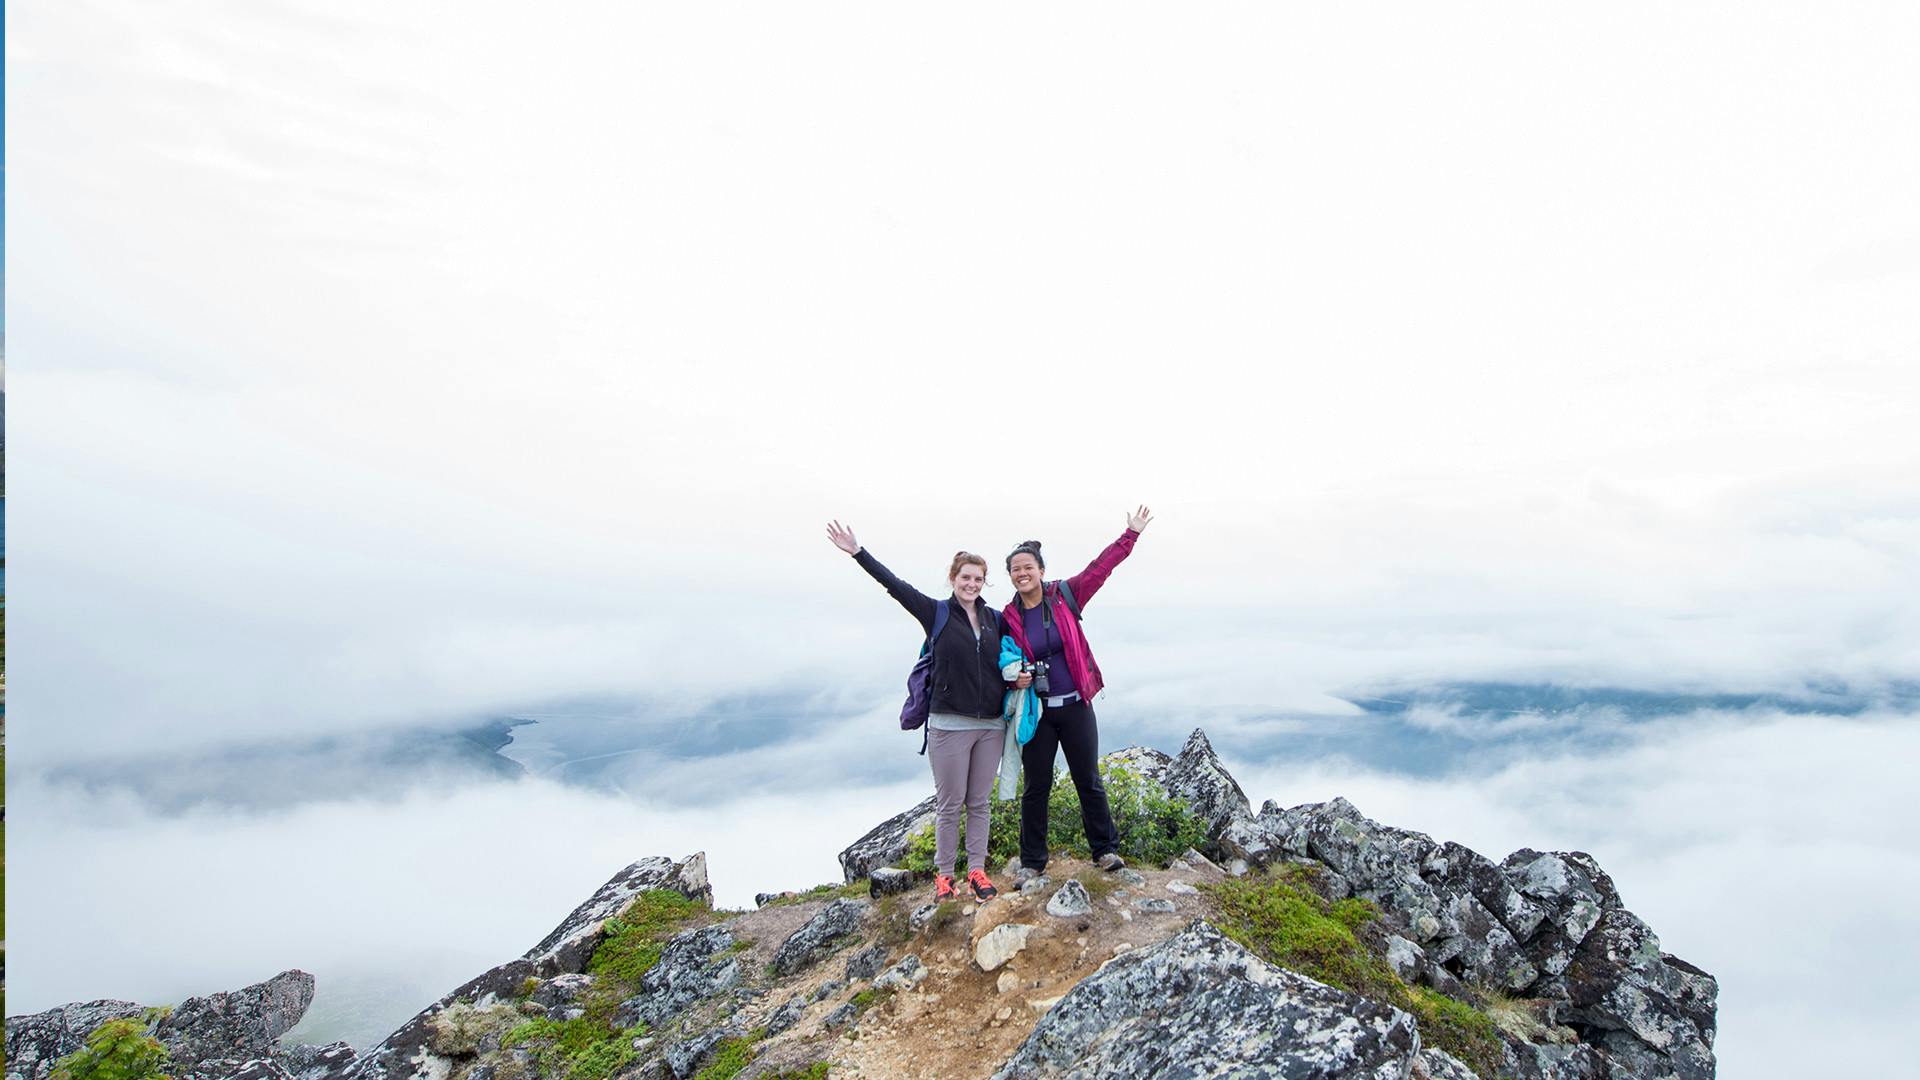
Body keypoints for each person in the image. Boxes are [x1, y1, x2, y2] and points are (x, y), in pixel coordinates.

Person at [827, 520, 1028, 903]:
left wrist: (1017, 680)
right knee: (950, 803)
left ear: (985, 583)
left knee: (979, 802)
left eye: (979, 579)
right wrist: (858, 552)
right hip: (949, 725)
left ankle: (977, 871)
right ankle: (945, 875)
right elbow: (895, 587)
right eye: (966, 577)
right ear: (953, 578)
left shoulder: (995, 619)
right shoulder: (935, 613)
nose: (972, 584)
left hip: (990, 725)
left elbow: (1008, 655)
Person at [1000, 505, 1154, 882]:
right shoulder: (1008, 615)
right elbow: (998, 656)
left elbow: (1101, 569)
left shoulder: (1065, 595)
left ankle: (1105, 851)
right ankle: (1032, 862)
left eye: (1027, 567)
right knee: (1036, 787)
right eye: (1015, 569)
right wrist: (1011, 679)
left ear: (1040, 570)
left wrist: (1130, 534)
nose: (1022, 574)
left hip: (1075, 706)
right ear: (1010, 576)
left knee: (1088, 779)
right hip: (1037, 712)